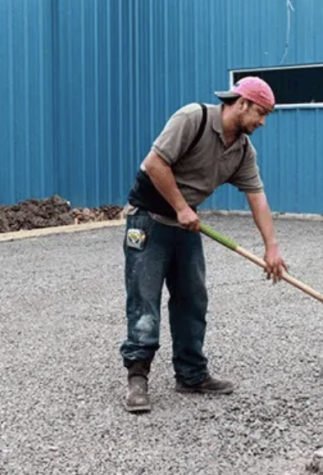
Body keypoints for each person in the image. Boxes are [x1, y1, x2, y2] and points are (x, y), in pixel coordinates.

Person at [120, 76, 289, 413]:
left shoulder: (241, 151)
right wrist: (181, 207)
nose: (263, 121)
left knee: (193, 299)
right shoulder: (192, 119)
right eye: (260, 112)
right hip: (149, 219)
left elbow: (258, 198)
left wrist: (271, 247)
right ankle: (137, 379)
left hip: (186, 225)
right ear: (241, 103)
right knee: (145, 300)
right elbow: (154, 163)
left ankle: (191, 374)